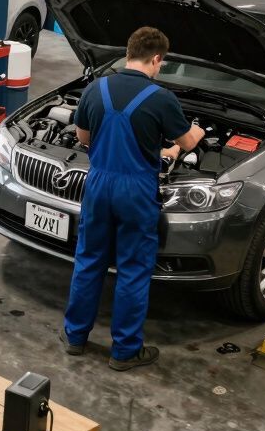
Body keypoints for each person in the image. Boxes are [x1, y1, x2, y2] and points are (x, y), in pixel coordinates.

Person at [62, 26, 204, 370]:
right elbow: (186, 143)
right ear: (155, 59)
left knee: (89, 260)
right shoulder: (161, 98)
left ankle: (75, 338)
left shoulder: (96, 88)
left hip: (97, 184)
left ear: (129, 52)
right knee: (133, 270)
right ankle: (124, 352)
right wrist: (193, 134)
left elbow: (83, 136)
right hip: (135, 191)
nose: (160, 69)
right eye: (161, 64)